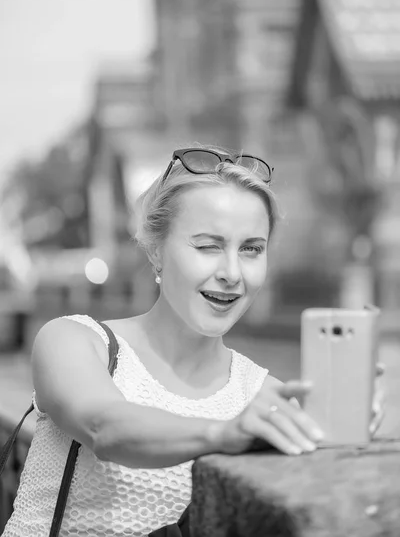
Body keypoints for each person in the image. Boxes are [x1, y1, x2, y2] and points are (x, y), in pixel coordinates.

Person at [2, 145, 384, 537]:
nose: (233, 273)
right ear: (156, 251)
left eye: (252, 249)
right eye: (208, 246)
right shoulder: (76, 340)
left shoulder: (265, 397)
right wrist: (223, 434)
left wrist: (340, 439)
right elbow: (105, 427)